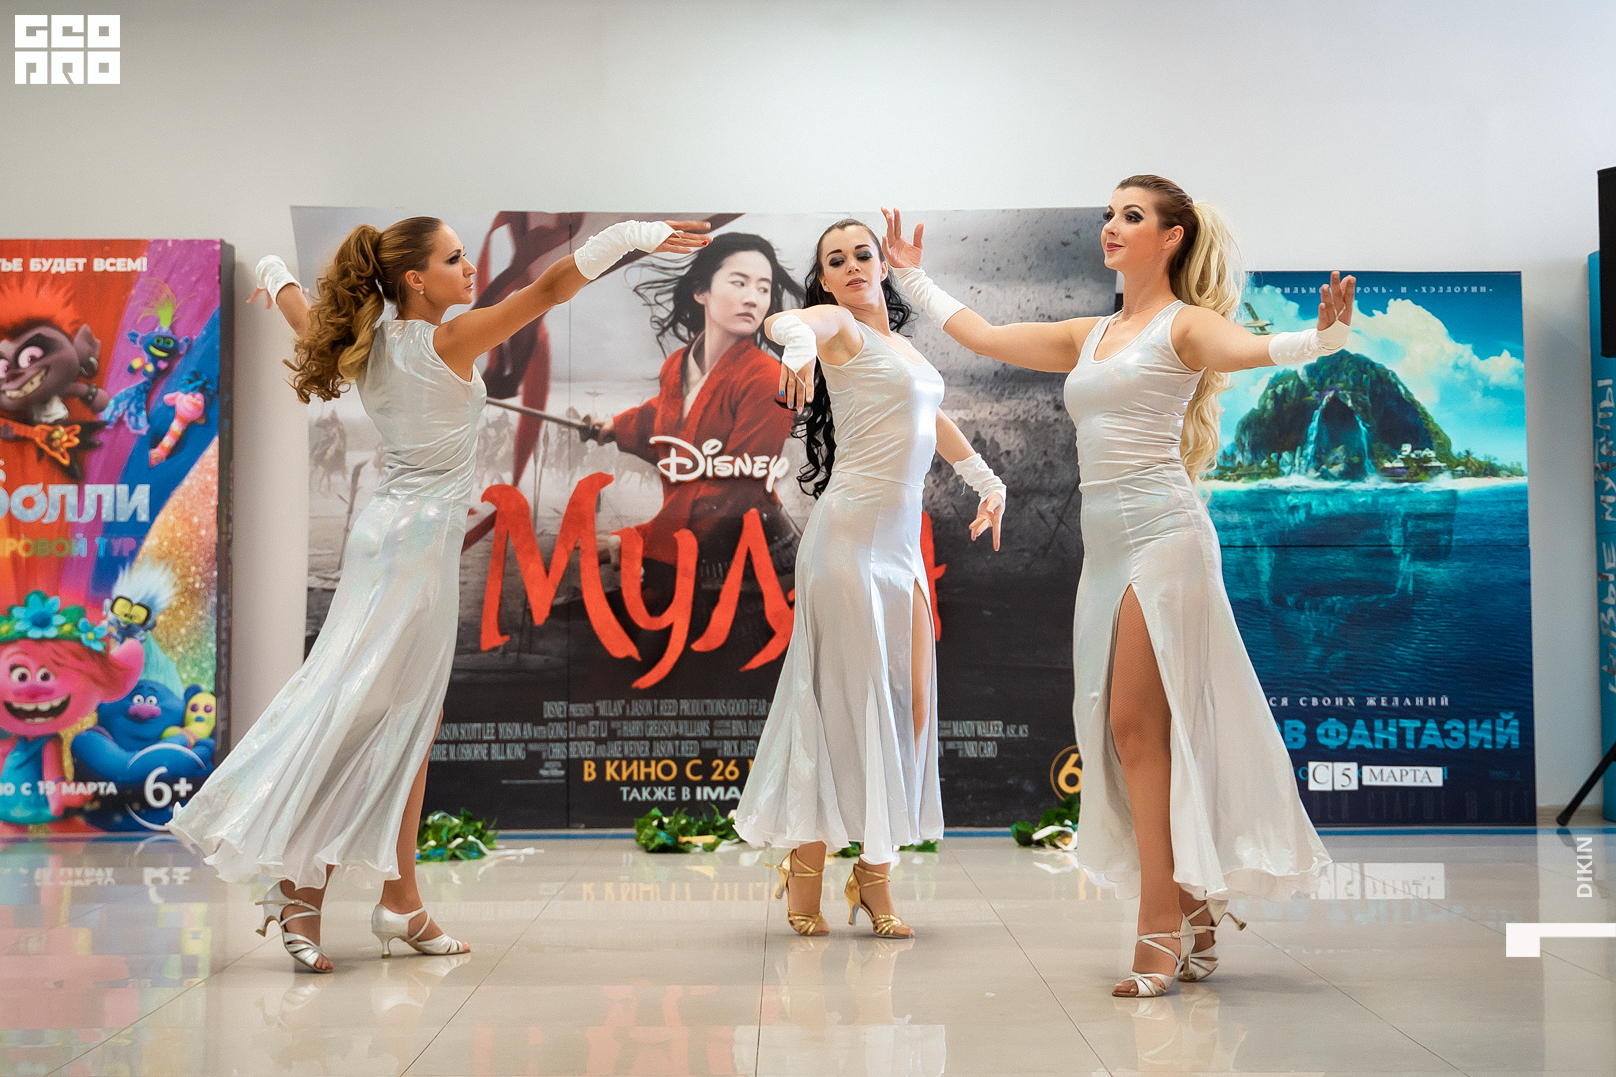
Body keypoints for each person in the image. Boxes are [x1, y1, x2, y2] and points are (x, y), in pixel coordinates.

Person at [168, 217, 708, 972]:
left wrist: (269, 271)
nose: (469, 268)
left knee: (405, 719)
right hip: (416, 548)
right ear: (416, 280)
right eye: (454, 259)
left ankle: (399, 900)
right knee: (365, 713)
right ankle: (301, 889)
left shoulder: (362, 342)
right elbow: (550, 287)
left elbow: (296, 306)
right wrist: (631, 234)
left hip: (384, 538)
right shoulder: (447, 341)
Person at [880, 179, 1341, 996]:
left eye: (1132, 216)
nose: (1112, 227)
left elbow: (1250, 349)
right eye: (1109, 215)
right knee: (1120, 733)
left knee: (1135, 725)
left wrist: (1322, 338)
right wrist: (911, 276)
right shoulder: (1089, 333)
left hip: (1166, 536)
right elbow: (984, 334)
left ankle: (1158, 923)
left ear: (1172, 236)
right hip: (1106, 548)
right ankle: (1193, 904)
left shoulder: (1184, 324)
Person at [733, 219, 1008, 939]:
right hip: (847, 538)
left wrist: (985, 480)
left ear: (883, 265)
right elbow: (787, 321)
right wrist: (797, 343)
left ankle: (872, 870)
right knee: (837, 703)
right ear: (824, 279)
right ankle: (808, 861)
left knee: (911, 707)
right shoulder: (839, 330)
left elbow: (930, 416)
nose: (853, 265)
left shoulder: (905, 349)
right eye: (837, 260)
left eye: (864, 253)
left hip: (899, 547)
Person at [578, 233, 804, 678]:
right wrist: (614, 428)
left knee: (740, 681)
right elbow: (665, 419)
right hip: (689, 550)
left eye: (763, 288)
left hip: (752, 562)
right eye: (739, 282)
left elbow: (734, 490)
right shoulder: (678, 364)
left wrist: (634, 542)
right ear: (702, 290)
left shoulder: (767, 380)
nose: (754, 298)